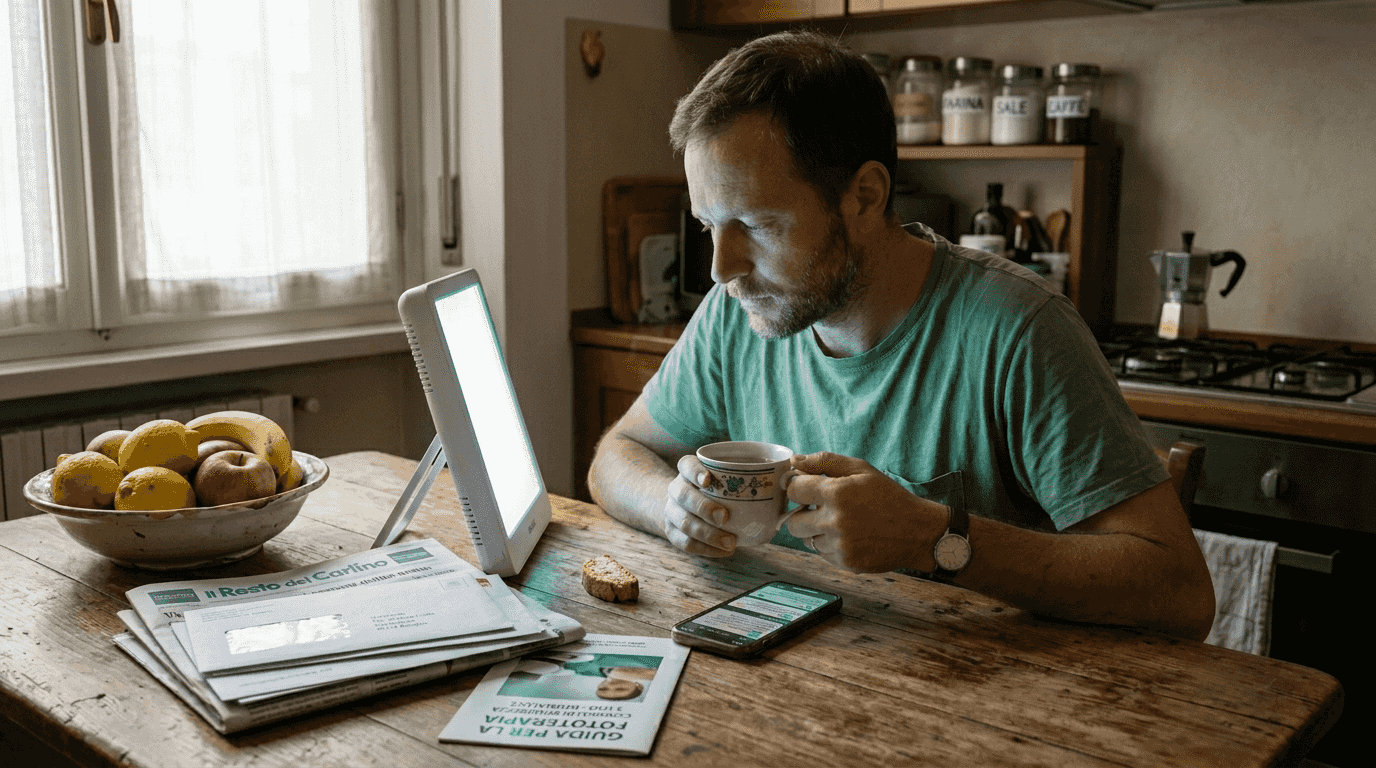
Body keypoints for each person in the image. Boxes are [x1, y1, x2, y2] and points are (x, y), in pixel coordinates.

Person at [587, 30, 1215, 640]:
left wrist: (934, 538)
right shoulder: (736, 312)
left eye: (758, 224)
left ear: (863, 195)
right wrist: (669, 505)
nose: (723, 269)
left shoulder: (1018, 329)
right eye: (709, 227)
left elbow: (1180, 591)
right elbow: (618, 455)